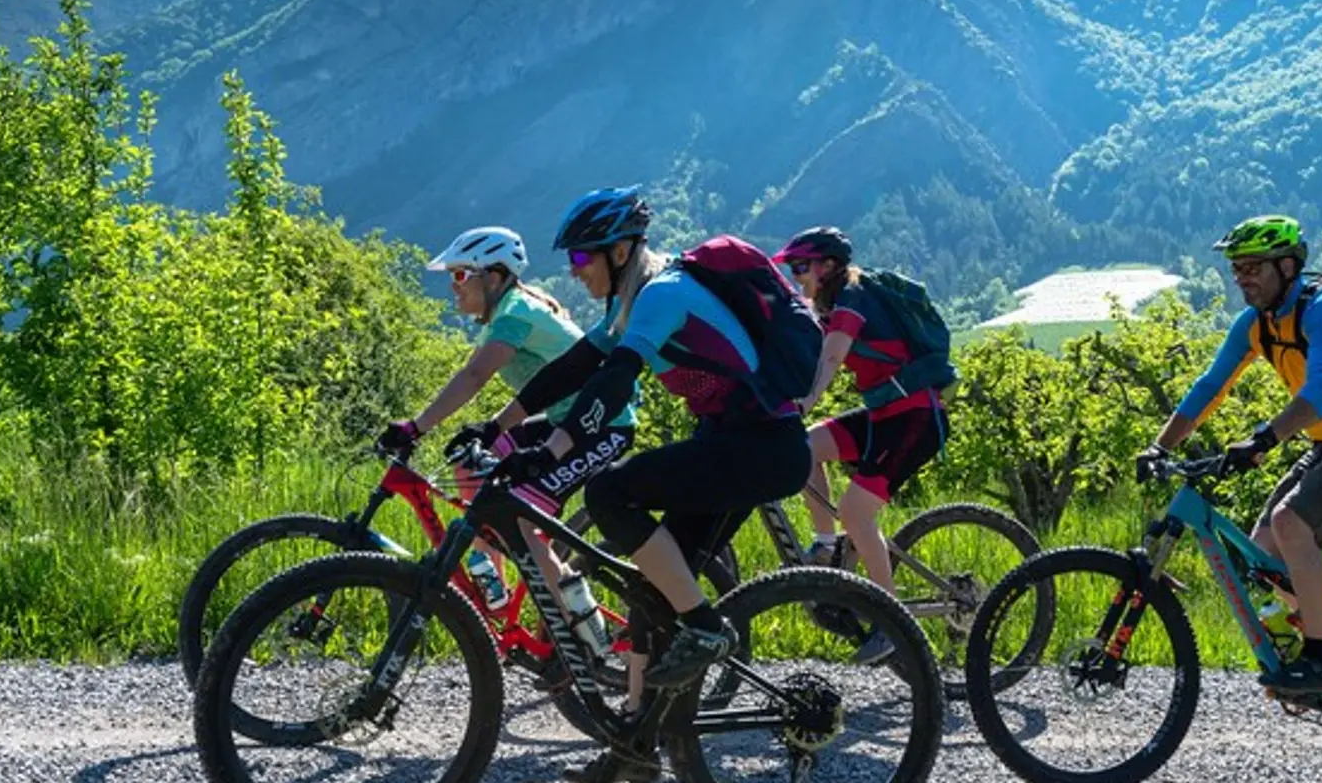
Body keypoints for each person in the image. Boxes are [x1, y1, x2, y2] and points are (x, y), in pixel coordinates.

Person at [485, 186, 813, 783]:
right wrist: (500, 428)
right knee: (651, 592)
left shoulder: (662, 295)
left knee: (609, 492)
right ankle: (635, 752)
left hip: (761, 447)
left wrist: (551, 450)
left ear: (619, 252)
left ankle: (707, 628)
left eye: (581, 257)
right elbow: (573, 368)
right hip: (736, 444)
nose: (574, 271)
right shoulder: (632, 302)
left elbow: (615, 381)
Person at [1139, 214, 1322, 695]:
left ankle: (1319, 660)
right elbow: (1210, 386)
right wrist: (1159, 445)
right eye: (1237, 269)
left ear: (1288, 267)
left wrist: (1265, 438)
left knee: (1291, 524)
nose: (1242, 278)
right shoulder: (1256, 325)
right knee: (1263, 552)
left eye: (1253, 267)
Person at [373, 225, 636, 626]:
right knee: (469, 460)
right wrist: (482, 430)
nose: (453, 285)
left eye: (460, 274)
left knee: (523, 525)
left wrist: (416, 426)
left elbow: (475, 376)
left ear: (494, 277)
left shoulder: (515, 312)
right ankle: (492, 585)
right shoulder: (509, 310)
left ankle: (587, 632)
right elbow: (482, 379)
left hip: (602, 426)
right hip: (561, 421)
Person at [774, 226, 950, 666]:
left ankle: (891, 623)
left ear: (829, 266)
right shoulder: (830, 305)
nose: (797, 276)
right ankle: (826, 545)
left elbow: (831, 357)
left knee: (855, 512)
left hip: (914, 418)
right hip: (882, 415)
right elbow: (805, 357)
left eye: (801, 267)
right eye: (792, 269)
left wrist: (804, 403)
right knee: (806, 448)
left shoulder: (853, 297)